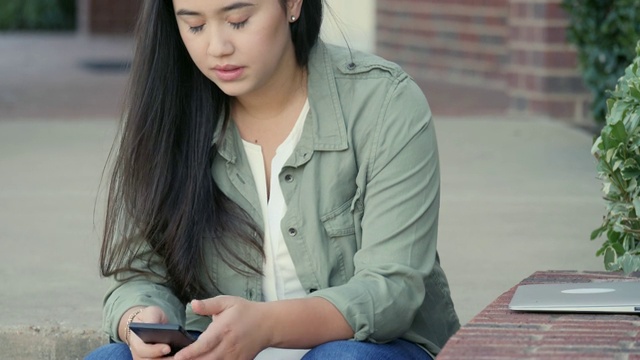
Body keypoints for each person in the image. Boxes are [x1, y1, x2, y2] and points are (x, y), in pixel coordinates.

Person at [85, 0, 460, 359]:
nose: (217, 47)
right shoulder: (170, 114)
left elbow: (390, 291)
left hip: (373, 349)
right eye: (195, 25)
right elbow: (138, 274)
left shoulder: (384, 104)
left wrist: (265, 326)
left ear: (292, 4)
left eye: (238, 20)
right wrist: (141, 319)